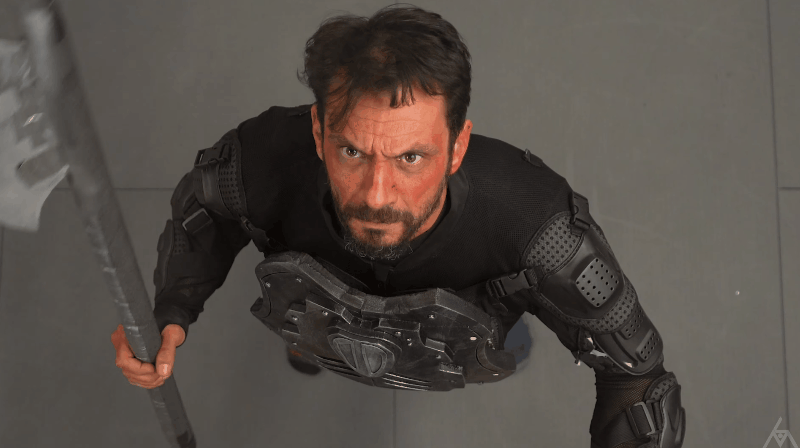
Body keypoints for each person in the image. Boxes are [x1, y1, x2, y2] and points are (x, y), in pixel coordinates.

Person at [110, 4, 686, 447]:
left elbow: (638, 377)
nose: (376, 196)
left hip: (473, 338)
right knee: (304, 339)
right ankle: (308, 352)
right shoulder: (260, 159)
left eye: (411, 157)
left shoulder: (538, 228)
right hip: (315, 320)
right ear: (318, 133)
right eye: (352, 152)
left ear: (457, 147)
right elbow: (204, 214)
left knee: (514, 343)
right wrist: (170, 312)